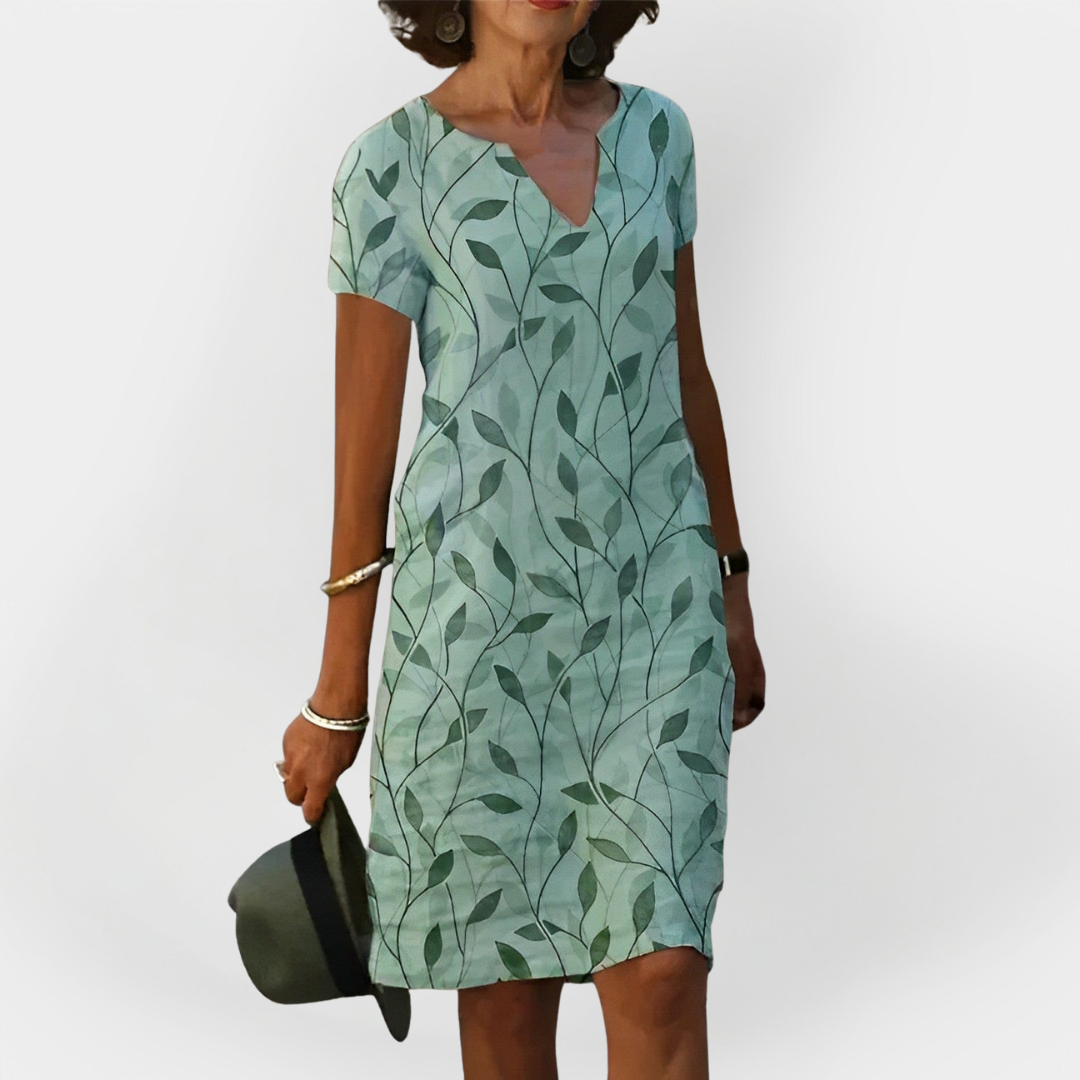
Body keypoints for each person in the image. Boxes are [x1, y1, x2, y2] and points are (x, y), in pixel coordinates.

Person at [279, 2, 766, 1076]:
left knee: (664, 969)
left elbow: (684, 373)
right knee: (505, 999)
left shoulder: (658, 136)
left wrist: (731, 587)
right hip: (475, 645)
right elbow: (362, 458)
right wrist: (337, 694)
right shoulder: (390, 169)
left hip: (654, 622)